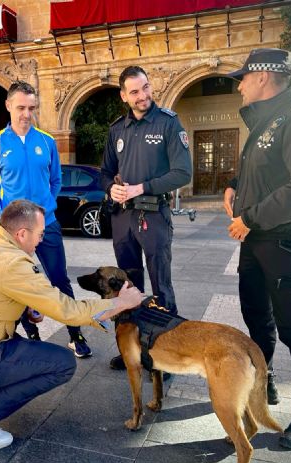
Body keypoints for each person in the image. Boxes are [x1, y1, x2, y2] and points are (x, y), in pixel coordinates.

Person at [0, 200, 143, 451]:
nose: (41, 241)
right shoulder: (14, 264)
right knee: (61, 364)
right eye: (40, 234)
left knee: (25, 353)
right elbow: (67, 310)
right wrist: (121, 303)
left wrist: (26, 307)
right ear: (22, 233)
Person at [223, 48, 291, 450]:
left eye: (243, 78)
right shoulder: (267, 120)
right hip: (255, 243)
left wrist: (250, 218)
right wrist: (234, 183)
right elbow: (263, 171)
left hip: (284, 243)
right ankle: (262, 388)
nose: (241, 85)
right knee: (258, 324)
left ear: (263, 77)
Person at [0, 81, 93, 358]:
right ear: (8, 106)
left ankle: (75, 334)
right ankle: (32, 336)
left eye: (31, 108)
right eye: (20, 107)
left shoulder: (46, 141)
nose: (26, 114)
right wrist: (13, 217)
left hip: (47, 225)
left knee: (59, 280)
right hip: (13, 231)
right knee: (17, 283)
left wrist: (43, 212)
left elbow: (55, 180)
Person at [100, 65, 192, 370]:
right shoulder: (116, 129)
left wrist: (143, 187)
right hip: (123, 219)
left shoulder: (168, 122)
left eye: (146, 88)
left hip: (153, 216)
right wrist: (111, 189)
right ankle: (132, 350)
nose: (143, 96)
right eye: (135, 91)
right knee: (127, 286)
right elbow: (103, 174)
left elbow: (183, 172)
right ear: (124, 96)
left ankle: (168, 356)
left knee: (161, 286)